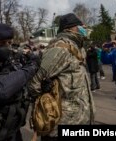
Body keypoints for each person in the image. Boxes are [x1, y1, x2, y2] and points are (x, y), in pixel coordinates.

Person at [28, 13, 96, 141]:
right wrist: (45, 98)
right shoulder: (60, 48)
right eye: (80, 25)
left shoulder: (78, 48)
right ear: (69, 29)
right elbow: (34, 82)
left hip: (80, 119)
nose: (84, 27)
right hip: (62, 123)